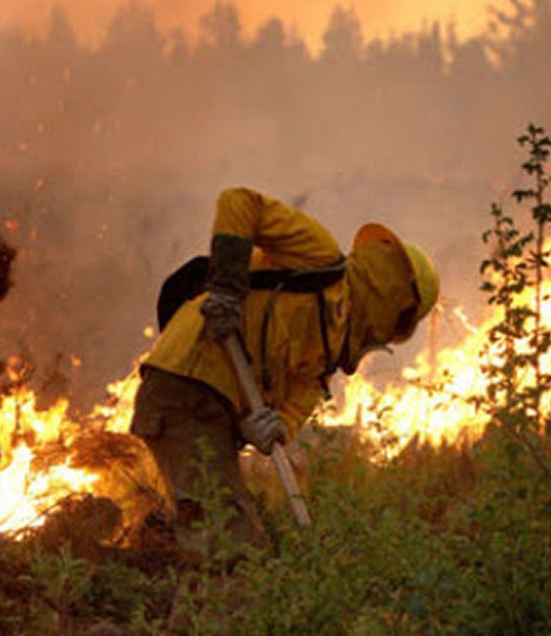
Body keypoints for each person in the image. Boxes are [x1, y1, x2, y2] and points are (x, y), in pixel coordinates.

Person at [130, 187, 439, 550]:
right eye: (401, 320)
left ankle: (205, 607)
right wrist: (228, 289)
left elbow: (288, 417)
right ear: (396, 298)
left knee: (230, 542)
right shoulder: (318, 258)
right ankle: (220, 603)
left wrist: (266, 429)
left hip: (209, 410)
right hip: (187, 385)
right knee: (230, 542)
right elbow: (239, 202)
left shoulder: (327, 355)